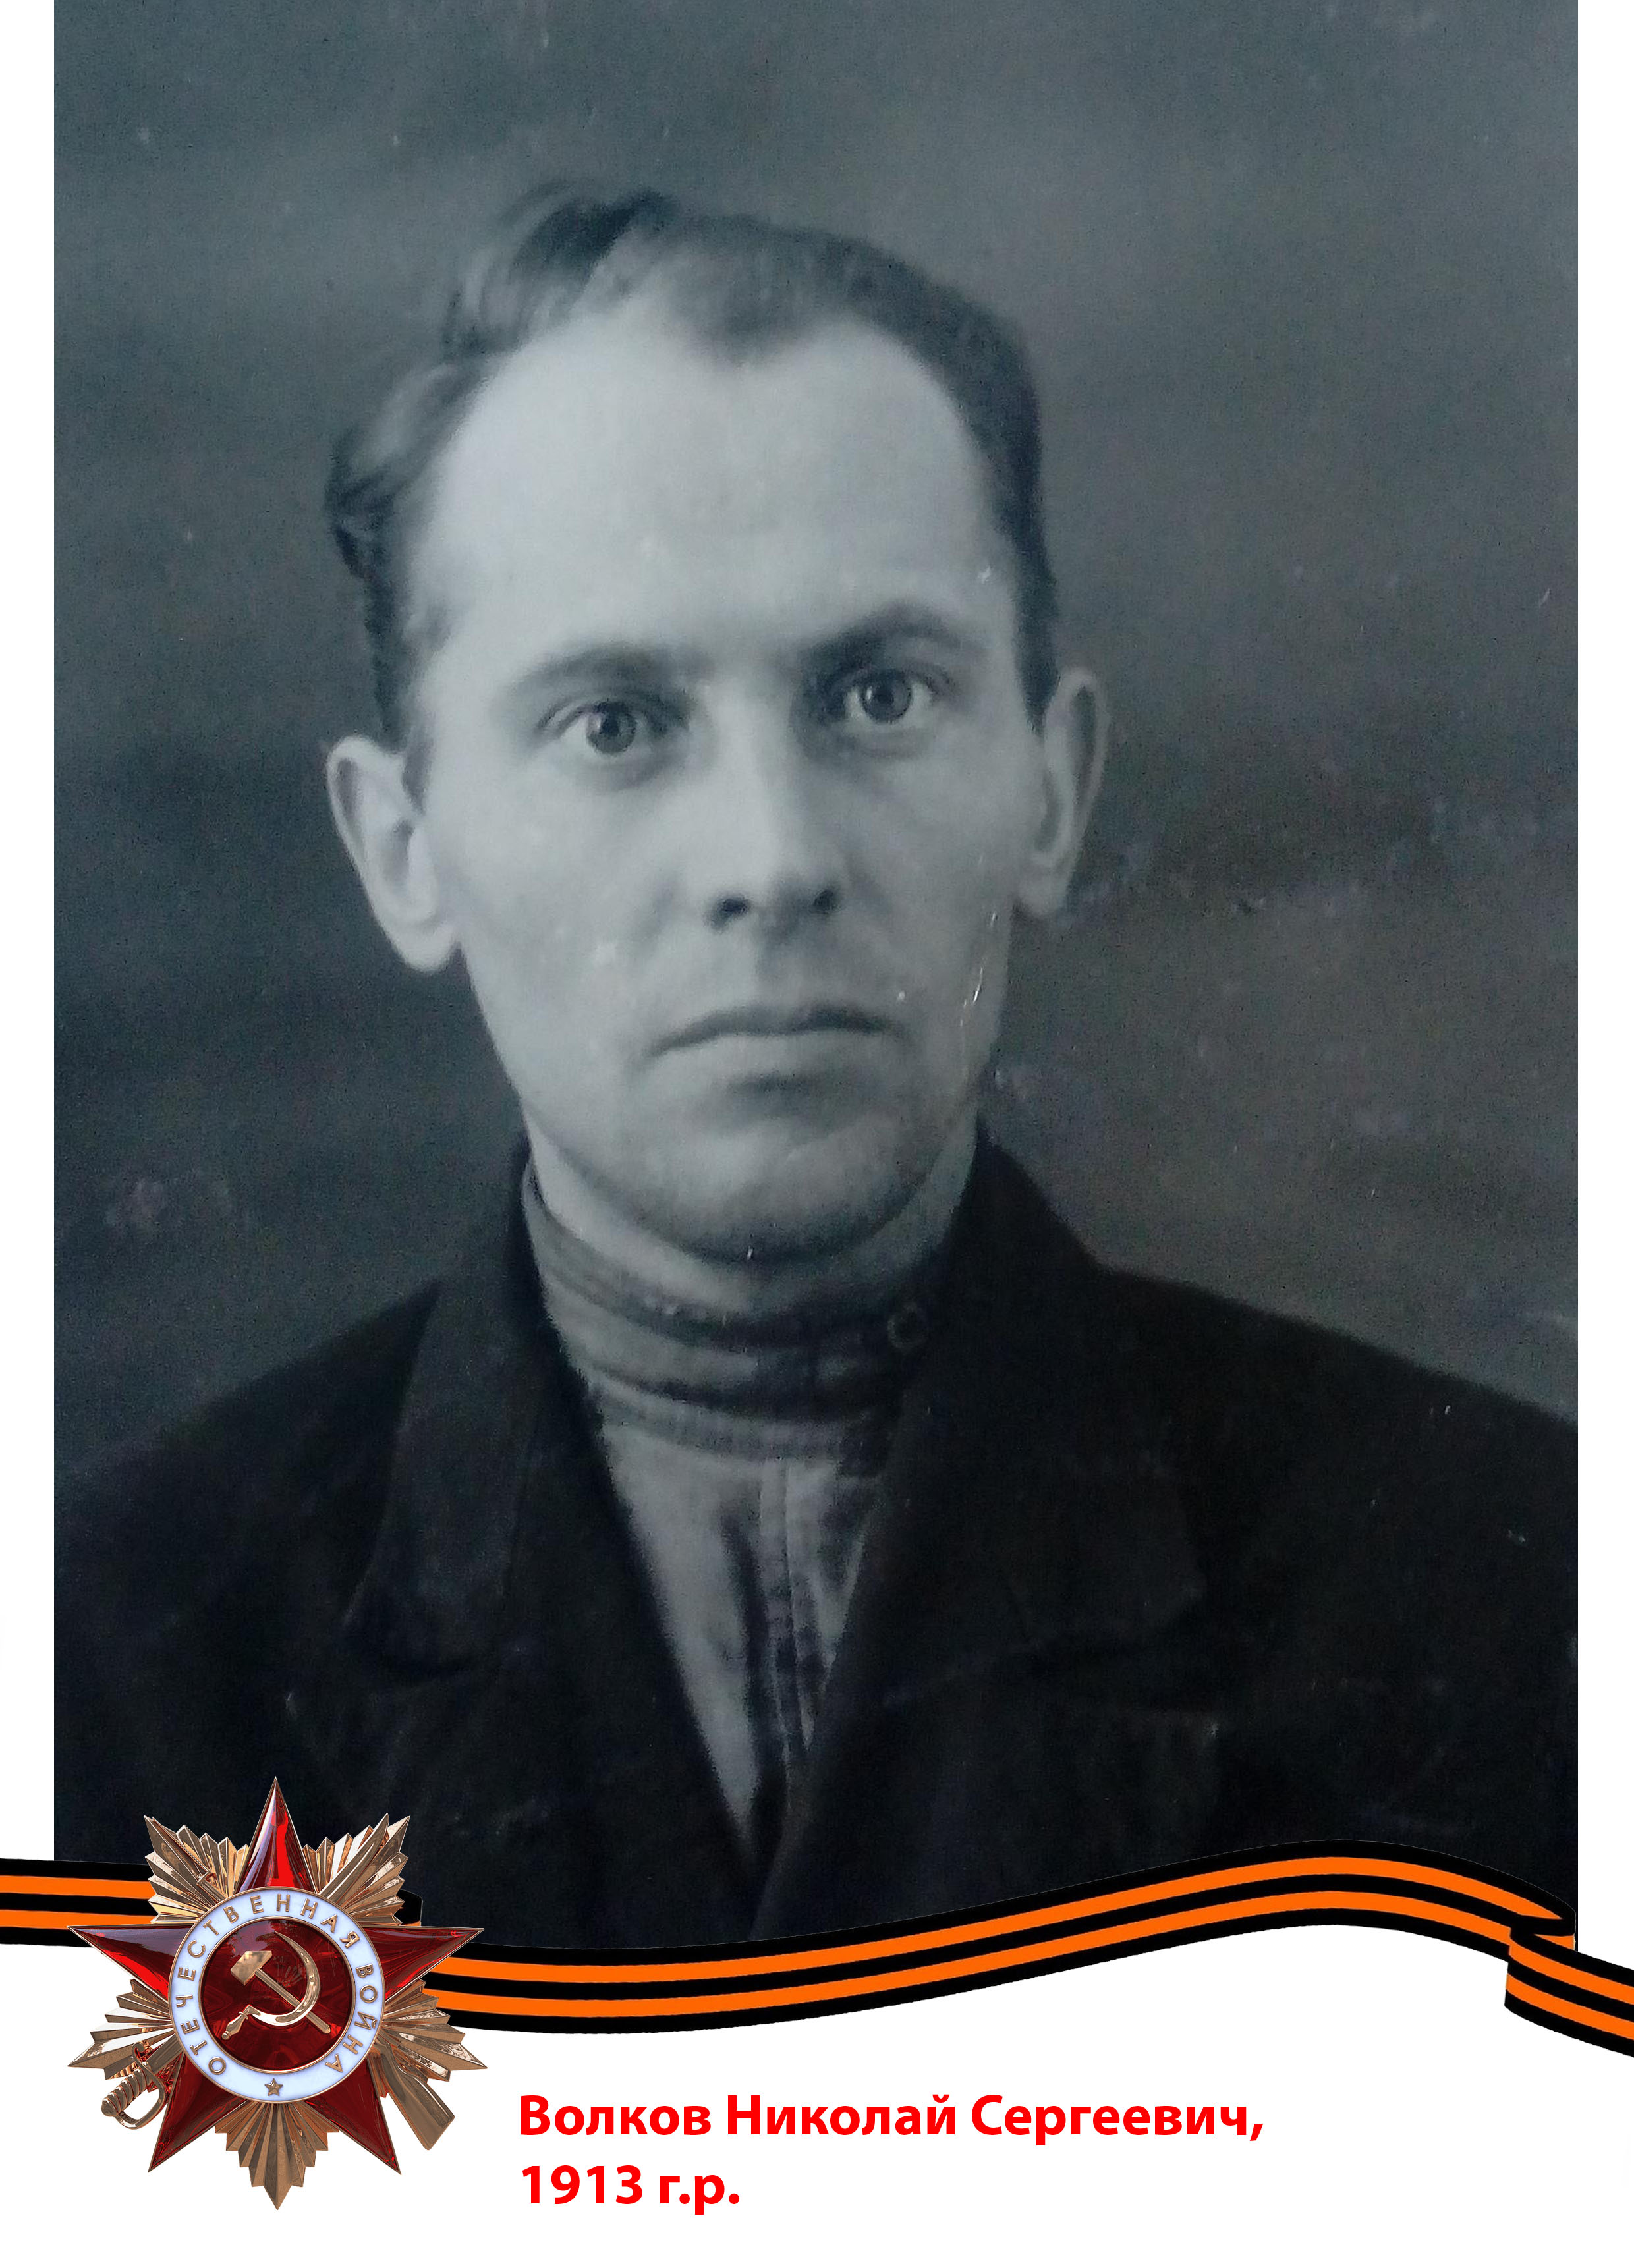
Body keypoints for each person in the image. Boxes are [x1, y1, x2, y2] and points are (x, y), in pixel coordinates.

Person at [56, 188, 1575, 1946]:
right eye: (615, 724)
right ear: (404, 850)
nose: (772, 858)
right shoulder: (105, 1655)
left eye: (878, 697)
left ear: (1054, 790)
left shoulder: (1515, 1589)